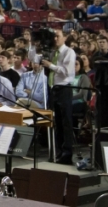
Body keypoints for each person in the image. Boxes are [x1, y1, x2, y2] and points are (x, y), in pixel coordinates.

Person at [41, 29, 77, 165]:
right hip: (53, 89)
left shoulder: (69, 52)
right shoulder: (52, 52)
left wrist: (51, 66)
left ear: (65, 37)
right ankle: (59, 152)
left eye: (58, 36)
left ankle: (67, 154)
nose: (55, 39)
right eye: (54, 36)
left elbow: (67, 72)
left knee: (66, 122)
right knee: (57, 123)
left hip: (64, 89)